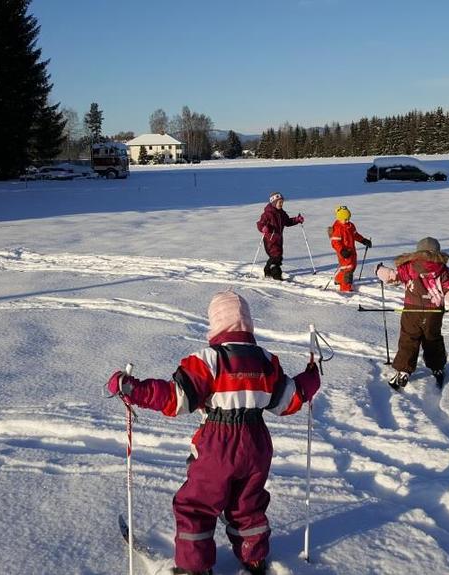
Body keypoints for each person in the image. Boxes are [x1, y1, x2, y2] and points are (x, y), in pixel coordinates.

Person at [106, 290, 321, 575]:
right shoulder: (266, 361)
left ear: (215, 324)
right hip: (257, 443)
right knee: (248, 503)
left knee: (196, 505)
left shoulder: (209, 360)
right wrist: (311, 377)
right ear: (248, 324)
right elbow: (288, 400)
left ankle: (195, 567)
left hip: (219, 444)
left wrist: (135, 390)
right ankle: (254, 557)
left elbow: (176, 398)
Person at [375, 236, 449, 390]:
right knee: (433, 338)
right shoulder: (443, 270)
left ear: (418, 251)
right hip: (434, 312)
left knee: (409, 338)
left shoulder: (409, 267)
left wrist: (379, 270)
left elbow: (392, 277)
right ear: (437, 252)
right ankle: (437, 366)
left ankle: (404, 370)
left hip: (412, 310)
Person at [256, 192, 304, 280]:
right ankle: (276, 275)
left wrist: (297, 220)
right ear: (274, 203)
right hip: (269, 239)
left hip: (279, 239)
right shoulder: (267, 214)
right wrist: (263, 228)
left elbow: (288, 222)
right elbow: (260, 224)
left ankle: (267, 270)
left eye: (282, 202)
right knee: (276, 257)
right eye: (279, 202)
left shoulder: (282, 213)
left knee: (277, 256)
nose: (281, 204)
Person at [327, 205, 371, 293]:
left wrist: (363, 240)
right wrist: (342, 250)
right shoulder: (337, 228)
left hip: (351, 250)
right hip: (343, 252)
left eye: (348, 218)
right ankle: (345, 288)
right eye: (345, 219)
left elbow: (355, 235)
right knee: (348, 268)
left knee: (353, 266)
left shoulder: (350, 226)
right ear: (339, 218)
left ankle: (338, 279)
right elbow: (335, 243)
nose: (347, 221)